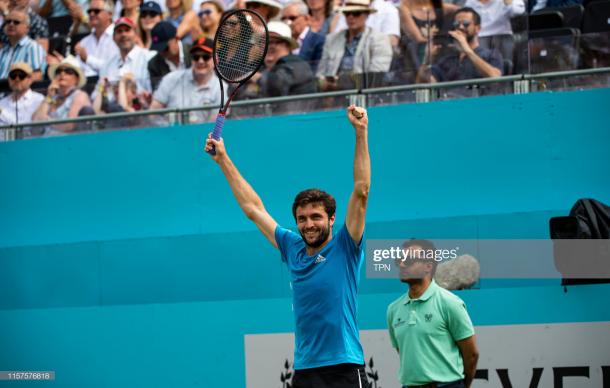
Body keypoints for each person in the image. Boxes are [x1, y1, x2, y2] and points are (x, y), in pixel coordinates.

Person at [204, 104, 371, 388]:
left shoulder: (346, 245)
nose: (309, 224)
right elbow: (253, 208)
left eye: (316, 217)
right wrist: (223, 160)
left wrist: (361, 132)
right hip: (305, 371)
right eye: (302, 219)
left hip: (344, 367)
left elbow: (361, 189)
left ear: (332, 219)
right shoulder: (291, 246)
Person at [387, 239, 479, 388]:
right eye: (399, 260)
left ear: (428, 266)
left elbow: (472, 355)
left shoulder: (450, 303)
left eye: (409, 260)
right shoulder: (393, 309)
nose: (402, 264)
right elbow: (404, 352)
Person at [316, 0, 392, 90]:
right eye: (347, 13)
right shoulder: (332, 39)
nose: (351, 17)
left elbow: (376, 76)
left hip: (365, 93)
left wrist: (343, 83)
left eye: (356, 13)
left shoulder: (379, 40)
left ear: (366, 15)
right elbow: (321, 73)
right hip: (332, 94)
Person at [416, 7, 502, 83]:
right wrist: (426, 60)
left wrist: (467, 50)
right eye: (456, 24)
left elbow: (496, 78)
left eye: (466, 24)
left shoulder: (490, 54)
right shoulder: (447, 60)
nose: (460, 27)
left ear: (477, 28)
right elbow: (423, 85)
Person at [150, 37, 222, 123]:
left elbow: (215, 123)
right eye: (196, 57)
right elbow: (152, 113)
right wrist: (167, 129)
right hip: (171, 134)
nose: (200, 61)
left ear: (216, 59)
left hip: (203, 135)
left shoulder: (221, 88)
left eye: (206, 57)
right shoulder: (171, 79)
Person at [31, 55, 92, 136]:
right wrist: (48, 97)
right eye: (59, 71)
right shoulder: (52, 97)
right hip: (45, 143)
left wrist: (46, 120)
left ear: (77, 79)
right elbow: (35, 124)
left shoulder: (80, 95)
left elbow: (69, 126)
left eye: (68, 71)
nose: (62, 73)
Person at [98, 16, 155, 93]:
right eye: (119, 31)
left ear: (136, 35)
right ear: (113, 38)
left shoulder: (149, 57)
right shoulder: (107, 66)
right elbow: (97, 94)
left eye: (127, 30)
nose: (123, 34)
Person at [463, 0, 524, 69]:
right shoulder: (470, 2)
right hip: (479, 38)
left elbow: (517, 11)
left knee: (506, 67)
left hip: (503, 36)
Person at [74, 0, 120, 76]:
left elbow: (114, 67)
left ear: (110, 14)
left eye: (96, 11)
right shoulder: (84, 41)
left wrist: (88, 59)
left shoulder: (119, 37)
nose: (91, 14)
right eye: (89, 11)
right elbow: (77, 68)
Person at [0, 8, 46, 80]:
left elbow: (37, 75)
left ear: (27, 28)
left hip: (19, 89)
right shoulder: (3, 50)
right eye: (8, 21)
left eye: (16, 22)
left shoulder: (33, 47)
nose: (11, 24)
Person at [281, 0, 325, 73]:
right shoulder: (280, 42)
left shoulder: (319, 41)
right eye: (283, 19)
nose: (288, 22)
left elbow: (316, 70)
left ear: (306, 18)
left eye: (292, 18)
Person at [333, 0, 401, 47]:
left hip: (375, 58)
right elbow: (337, 36)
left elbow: (392, 42)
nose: (351, 16)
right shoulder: (348, 5)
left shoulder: (389, 9)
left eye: (357, 13)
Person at [0, 62, 44, 133]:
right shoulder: (2, 103)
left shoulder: (39, 100)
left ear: (30, 79)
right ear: (9, 79)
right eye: (13, 76)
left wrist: (2, 113)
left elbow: (30, 129)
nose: (17, 79)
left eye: (22, 75)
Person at [147, 20, 191, 90]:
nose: (162, 52)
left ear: (176, 38)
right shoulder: (154, 64)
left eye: (165, 48)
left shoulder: (194, 53)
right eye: (158, 49)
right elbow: (158, 93)